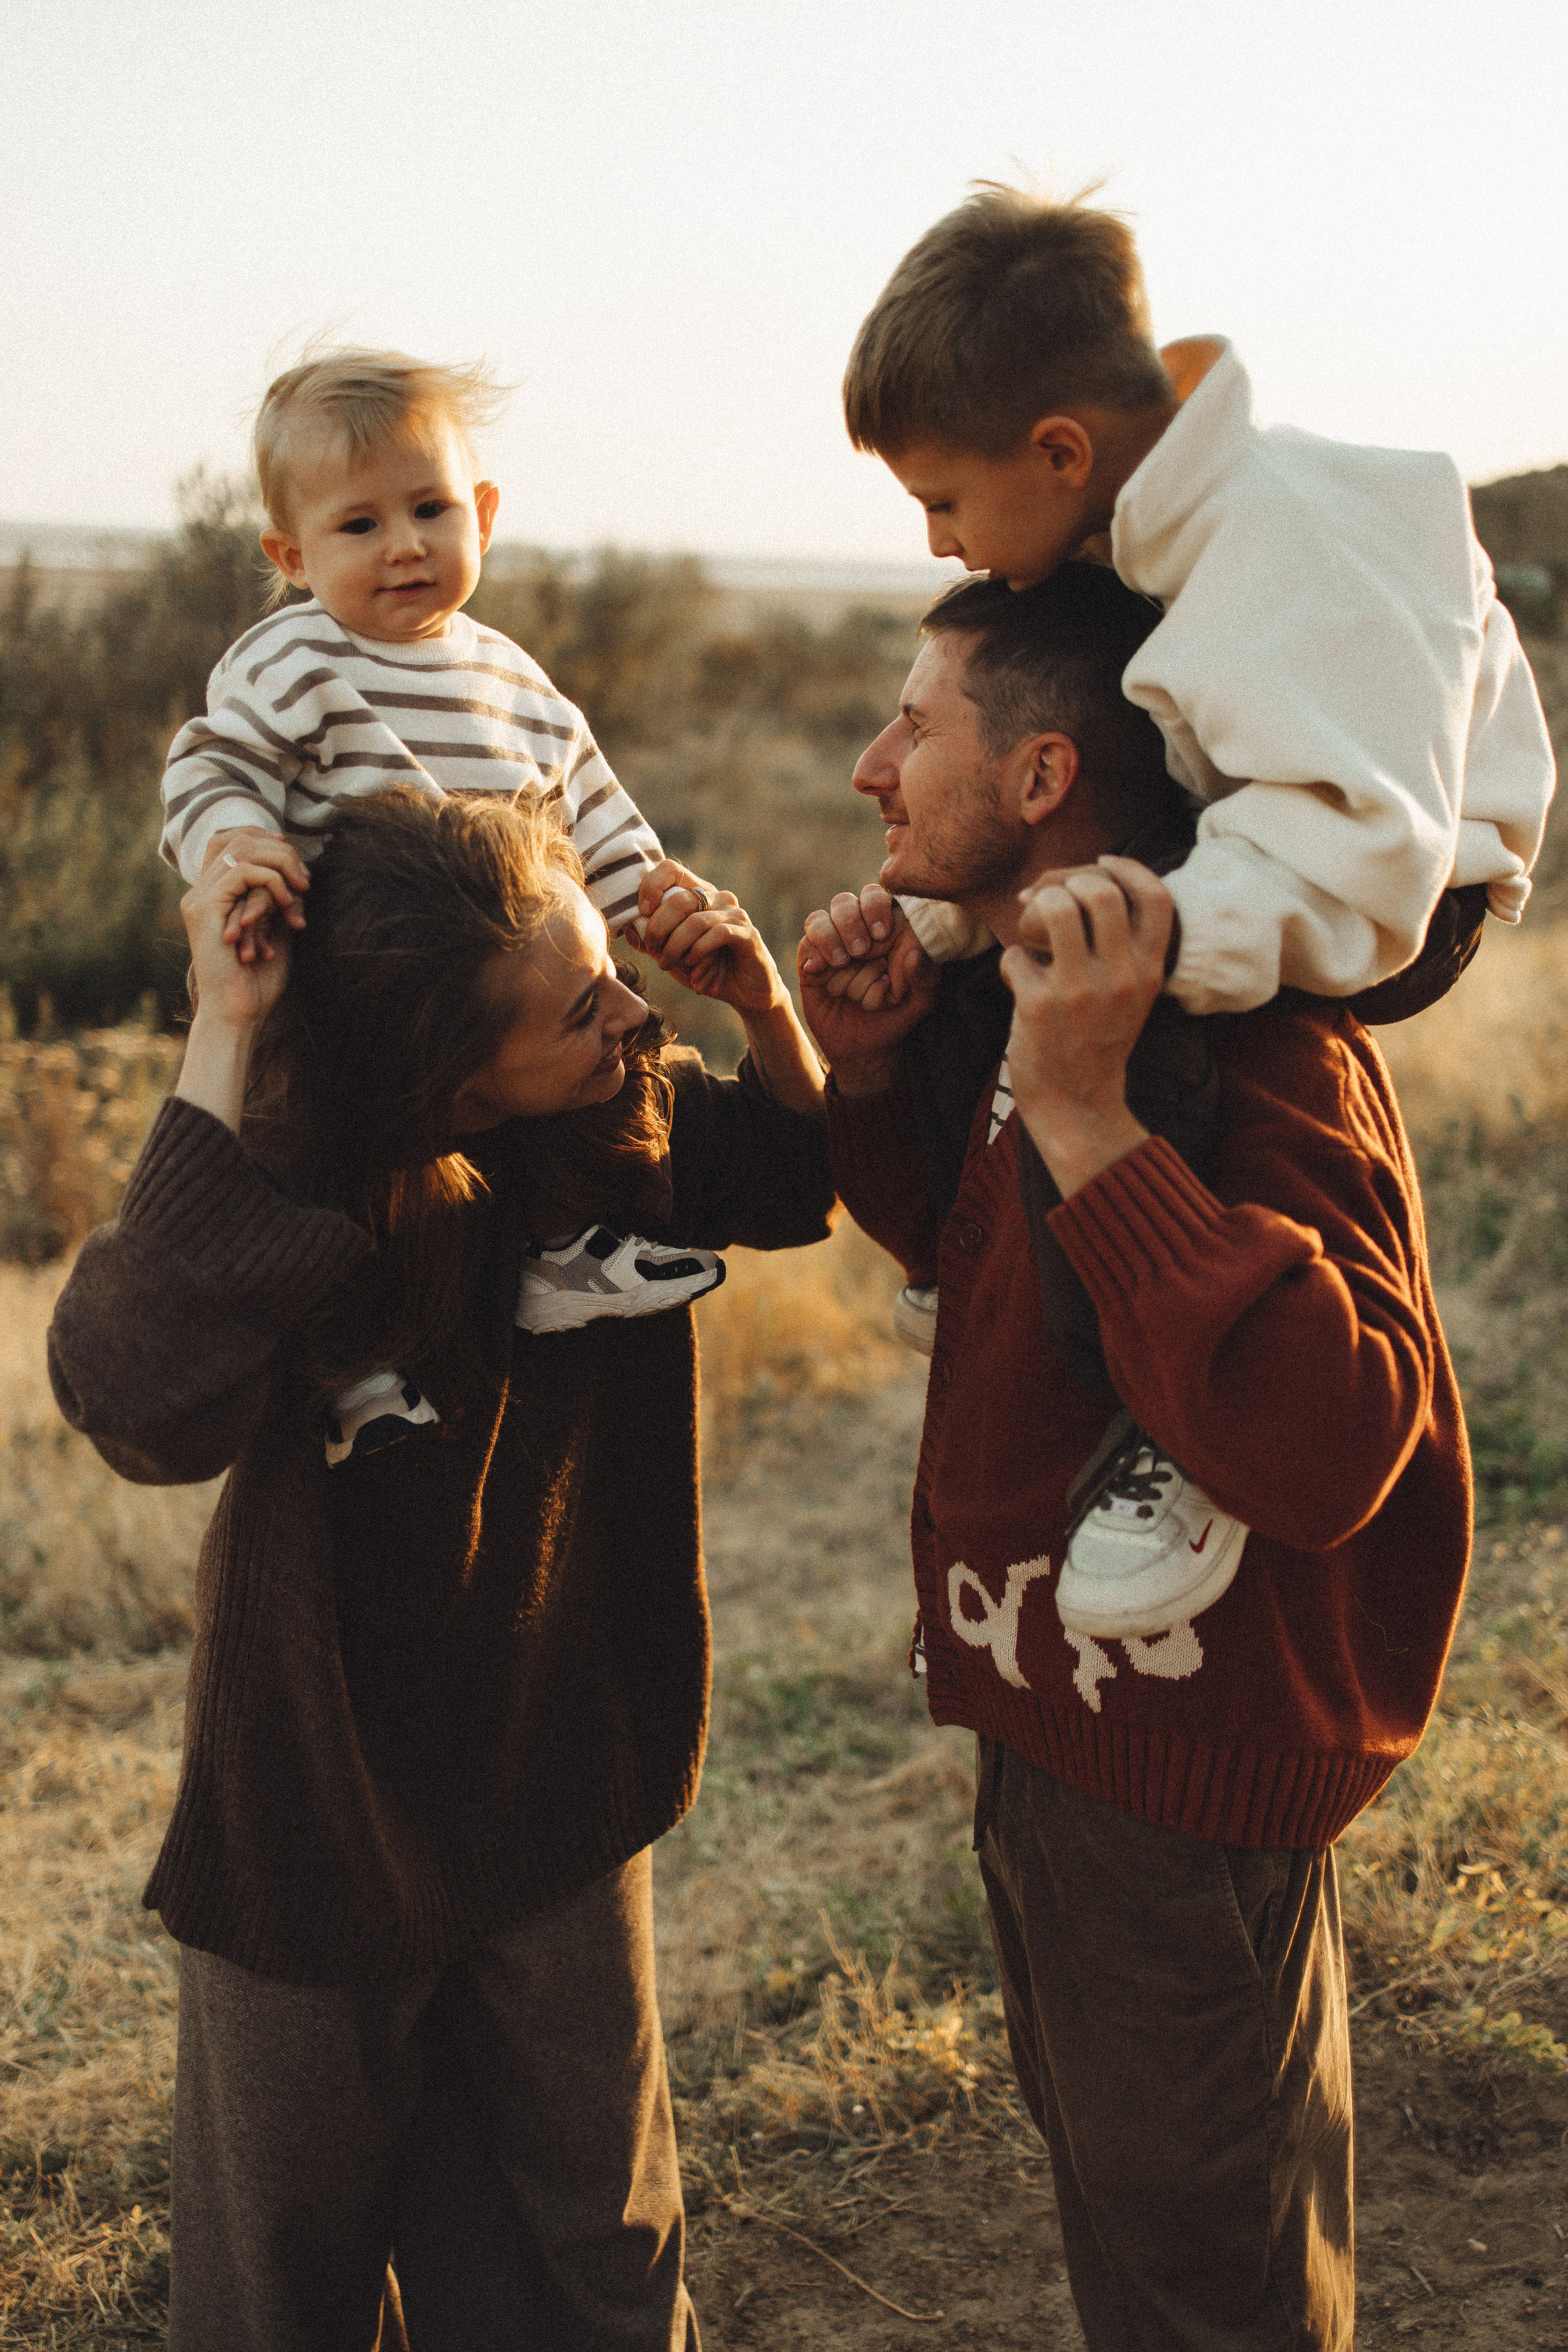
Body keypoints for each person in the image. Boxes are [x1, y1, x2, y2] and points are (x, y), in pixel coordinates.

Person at [49, 785, 834, 2350]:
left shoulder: (602, 1124)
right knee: (287, 2287)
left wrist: (764, 1006)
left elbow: (793, 1181)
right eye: (580, 1008)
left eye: (610, 977)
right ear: (453, 1078)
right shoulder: (297, 1192)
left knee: (598, 2263)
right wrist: (227, 1030)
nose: (633, 1017)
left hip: (560, 1773)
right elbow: (129, 1396)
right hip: (317, 1818)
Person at [799, 565, 1471, 2349]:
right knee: (1152, 2247)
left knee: (1212, 2290)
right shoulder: (1047, 994)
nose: (873, 765)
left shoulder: (1250, 1034)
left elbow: (1336, 1440)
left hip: (1177, 1775)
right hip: (1070, 1735)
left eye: (916, 723)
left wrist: (1091, 1118)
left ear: (1040, 776)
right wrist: (871, 1077)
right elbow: (998, 1272)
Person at [815, 180, 1553, 1606]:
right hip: (1270, 834)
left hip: (1391, 880)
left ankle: (1171, 1433)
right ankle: (980, 1265)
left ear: (1057, 449)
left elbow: (1363, 846)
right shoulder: (1160, 516)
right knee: (1002, 955)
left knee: (1105, 1004)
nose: (938, 544)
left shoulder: (1300, 541)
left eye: (942, 501)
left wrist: (1124, 936)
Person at [157, 346, 715, 1360]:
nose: (406, 546)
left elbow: (592, 811)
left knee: (589, 1087)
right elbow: (211, 764)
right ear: (293, 555)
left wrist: (657, 902)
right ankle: (343, 1357)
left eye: (431, 510)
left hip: (508, 988)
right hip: (347, 987)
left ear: (483, 515)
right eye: (360, 525)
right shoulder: (293, 659)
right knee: (325, 1160)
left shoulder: (516, 681)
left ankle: (566, 1254)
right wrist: (236, 840)